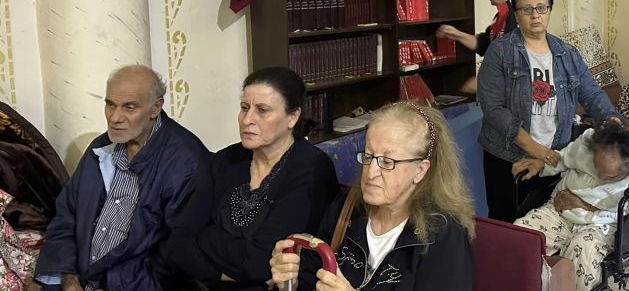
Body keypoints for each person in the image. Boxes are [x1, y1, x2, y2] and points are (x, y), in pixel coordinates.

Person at [155, 67, 339, 290]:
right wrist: (218, 273)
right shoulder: (227, 159)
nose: (247, 119)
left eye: (262, 110)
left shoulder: (311, 169)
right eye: (244, 108)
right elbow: (178, 238)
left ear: (292, 117)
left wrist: (205, 236)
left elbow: (259, 263)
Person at [35, 65, 209, 290]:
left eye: (129, 107)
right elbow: (67, 216)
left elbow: (174, 257)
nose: (115, 118)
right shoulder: (100, 148)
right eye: (110, 105)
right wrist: (69, 277)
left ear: (155, 108)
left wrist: (109, 285)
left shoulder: (186, 162)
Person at [269, 102, 474, 290]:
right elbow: (311, 278)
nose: (370, 172)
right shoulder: (346, 208)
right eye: (368, 156)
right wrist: (291, 281)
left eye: (387, 162)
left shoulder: (443, 235)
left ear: (420, 170)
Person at [477, 0, 623, 222]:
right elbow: (493, 107)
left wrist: (611, 118)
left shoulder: (566, 53)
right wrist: (535, 149)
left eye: (541, 8)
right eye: (527, 9)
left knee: (549, 219)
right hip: (508, 156)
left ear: (549, 10)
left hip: (554, 153)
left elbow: (591, 93)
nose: (535, 15)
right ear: (516, 13)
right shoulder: (500, 52)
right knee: (508, 222)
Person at [512, 121, 629, 291]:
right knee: (521, 236)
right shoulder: (587, 144)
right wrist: (542, 163)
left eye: (608, 175)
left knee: (581, 251)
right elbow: (563, 158)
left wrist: (583, 204)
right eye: (596, 167)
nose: (599, 175)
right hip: (560, 209)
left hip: (602, 224)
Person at [437, 0, 519, 94]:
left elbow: (511, 58)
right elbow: (483, 44)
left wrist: (483, 81)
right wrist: (456, 34)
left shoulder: (516, 17)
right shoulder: (499, 17)